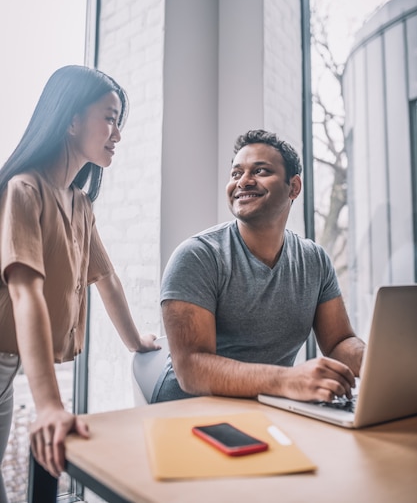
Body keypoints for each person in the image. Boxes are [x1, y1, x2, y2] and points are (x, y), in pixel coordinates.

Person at [0, 65, 159, 501]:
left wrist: (135, 341)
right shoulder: (24, 190)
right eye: (109, 117)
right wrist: (51, 405)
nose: (117, 133)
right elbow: (24, 292)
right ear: (71, 120)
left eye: (118, 121)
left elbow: (104, 277)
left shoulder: (80, 204)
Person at [152, 129, 365, 404]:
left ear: (294, 187)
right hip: (187, 411)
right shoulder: (197, 256)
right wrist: (288, 380)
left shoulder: (315, 261)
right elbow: (191, 369)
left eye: (261, 171)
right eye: (235, 173)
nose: (243, 181)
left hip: (269, 408)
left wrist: (381, 364)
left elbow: (338, 342)